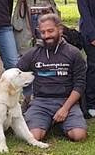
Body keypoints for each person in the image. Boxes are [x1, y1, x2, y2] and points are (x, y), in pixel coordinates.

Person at [17, 13, 88, 142]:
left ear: (60, 29)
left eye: (50, 31)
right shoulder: (33, 53)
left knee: (79, 136)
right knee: (33, 137)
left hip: (67, 101)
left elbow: (80, 84)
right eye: (43, 32)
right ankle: (45, 121)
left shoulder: (74, 53)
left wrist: (65, 109)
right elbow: (15, 72)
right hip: (41, 102)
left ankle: (60, 122)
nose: (47, 36)